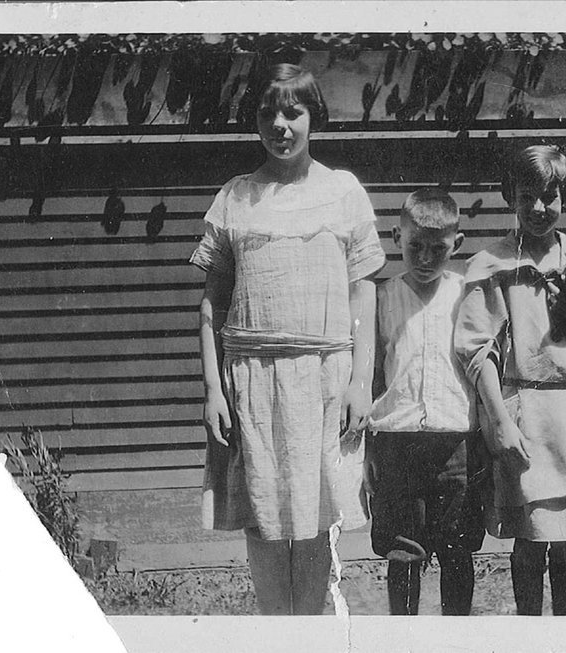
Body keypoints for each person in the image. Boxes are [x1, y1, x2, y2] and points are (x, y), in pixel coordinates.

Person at [190, 63, 384, 615]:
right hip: (250, 380)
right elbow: (212, 303)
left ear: (313, 118)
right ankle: (278, 630)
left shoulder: (344, 192)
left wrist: (360, 383)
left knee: (316, 516)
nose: (280, 125)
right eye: (267, 113)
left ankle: (313, 630)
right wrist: (212, 389)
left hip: (325, 377)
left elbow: (362, 294)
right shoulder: (235, 198)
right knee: (267, 518)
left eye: (293, 112)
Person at [455, 145, 566, 616]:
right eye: (527, 196)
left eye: (550, 197)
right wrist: (499, 422)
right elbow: (476, 350)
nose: (538, 208)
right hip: (527, 413)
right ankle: (530, 632)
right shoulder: (492, 266)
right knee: (533, 536)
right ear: (510, 197)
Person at [365, 188, 485, 616]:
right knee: (404, 551)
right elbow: (372, 377)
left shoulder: (468, 293)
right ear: (396, 237)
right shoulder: (381, 297)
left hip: (457, 444)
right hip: (398, 443)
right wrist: (368, 450)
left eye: (438, 248)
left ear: (457, 243)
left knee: (456, 548)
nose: (426, 259)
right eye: (415, 246)